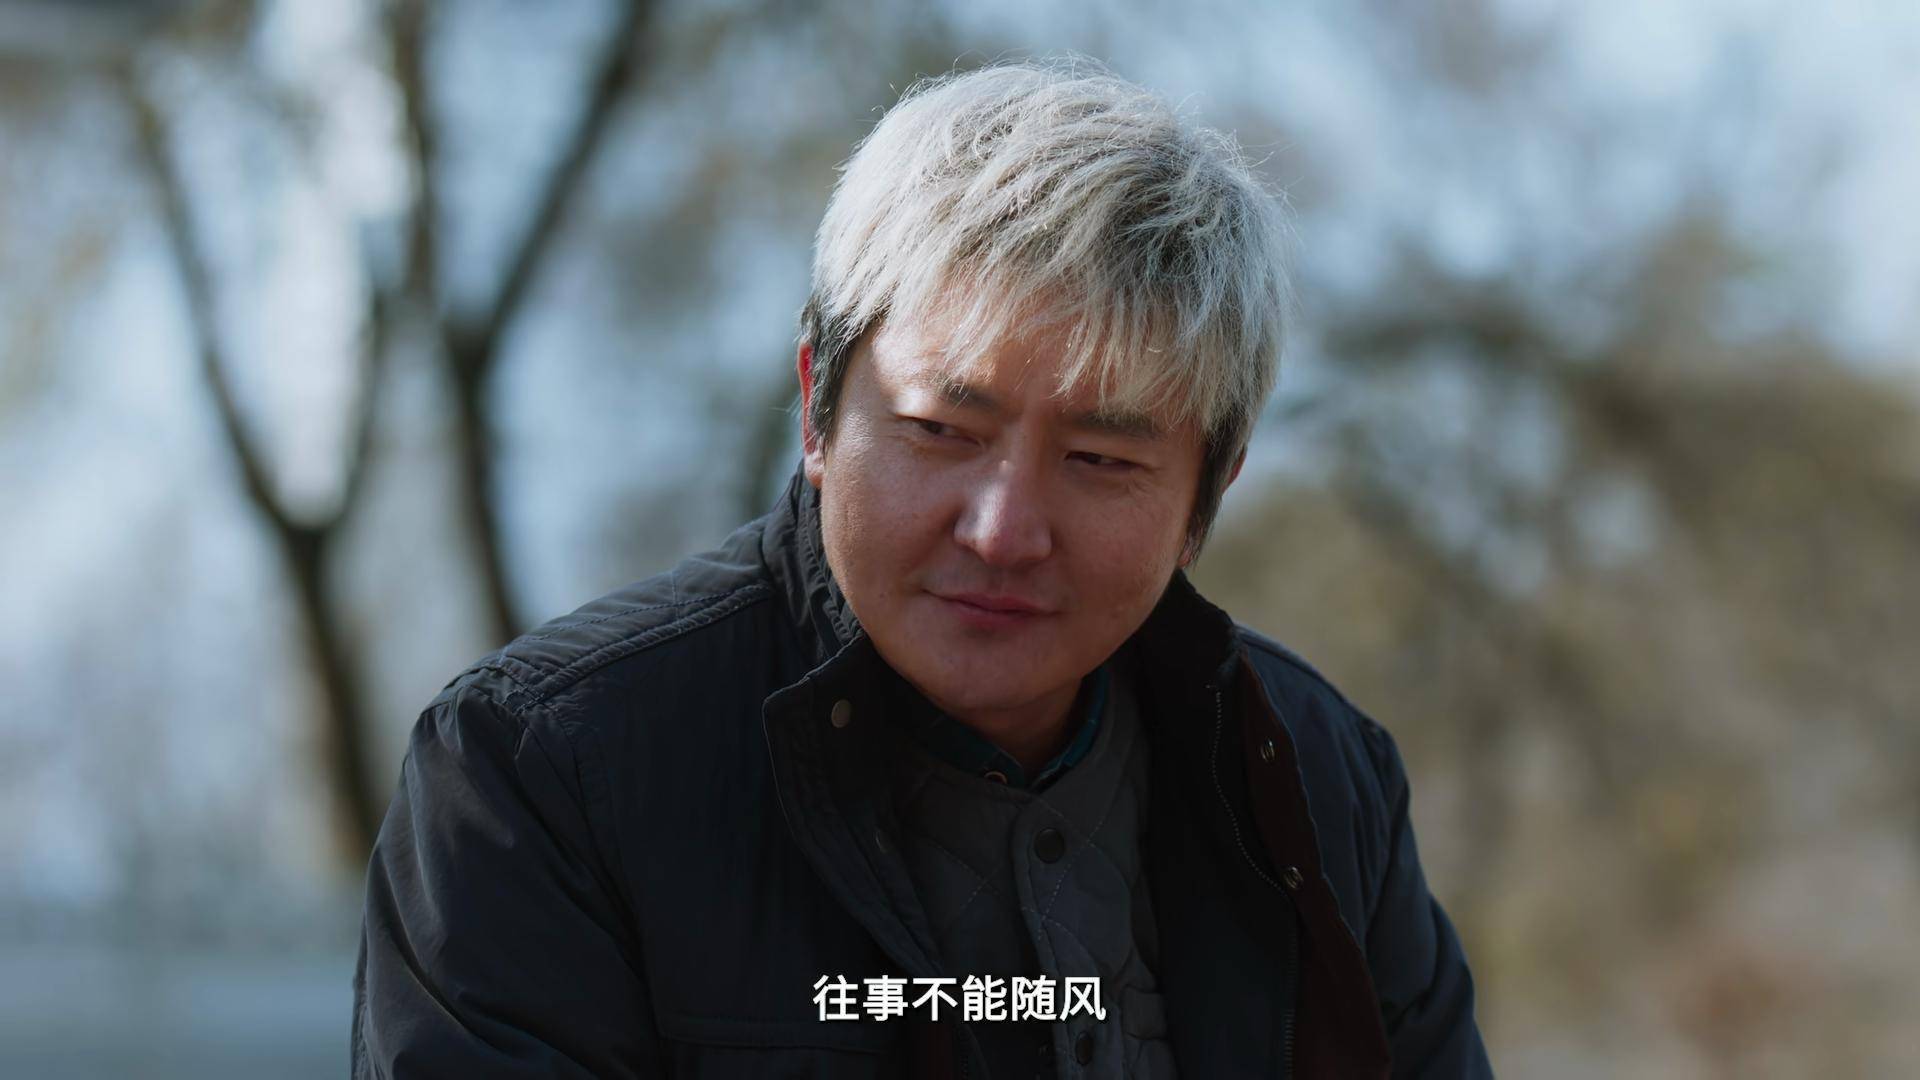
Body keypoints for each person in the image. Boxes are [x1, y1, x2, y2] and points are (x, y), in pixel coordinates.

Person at [352, 59, 1491, 1079]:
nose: (1003, 529)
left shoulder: (1315, 776)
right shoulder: (544, 773)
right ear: (818, 405)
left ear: (1209, 492)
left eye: (1100, 460)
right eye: (941, 431)